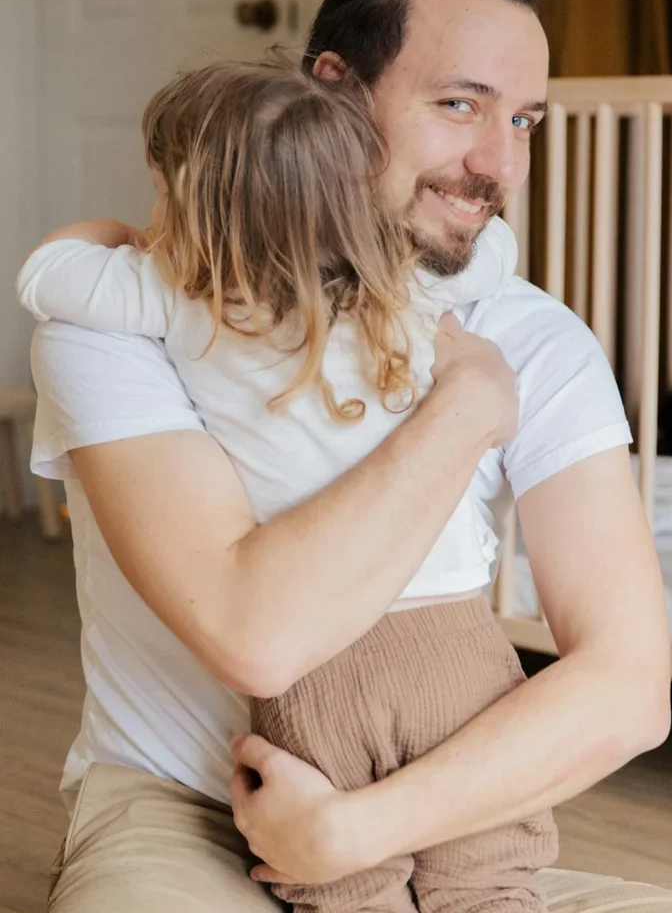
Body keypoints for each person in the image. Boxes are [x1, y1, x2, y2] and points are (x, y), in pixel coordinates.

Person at [26, 0, 670, 913]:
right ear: (333, 88)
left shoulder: (524, 334)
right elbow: (255, 637)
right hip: (185, 811)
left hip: (437, 826)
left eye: (526, 122)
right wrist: (462, 411)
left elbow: (631, 687)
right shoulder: (141, 316)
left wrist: (354, 832)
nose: (499, 166)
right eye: (461, 105)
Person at [18, 50, 550, 912]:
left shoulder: (181, 297)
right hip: (462, 643)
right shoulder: (402, 288)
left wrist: (121, 239)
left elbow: (45, 277)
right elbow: (494, 251)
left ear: (189, 202)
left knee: (349, 887)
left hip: (325, 664)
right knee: (489, 876)